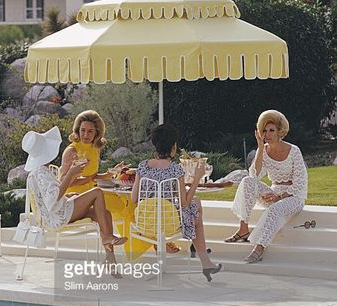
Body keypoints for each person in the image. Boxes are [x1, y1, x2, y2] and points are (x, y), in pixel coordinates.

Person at [131, 124, 221, 281]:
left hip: (144, 222)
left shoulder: (142, 166)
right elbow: (184, 203)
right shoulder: (175, 169)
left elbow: (134, 199)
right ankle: (204, 259)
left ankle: (202, 256)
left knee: (195, 204)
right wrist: (197, 178)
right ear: (173, 147)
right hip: (168, 222)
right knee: (194, 210)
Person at [21, 125, 126, 260]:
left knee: (104, 214)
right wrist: (71, 173)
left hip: (58, 211)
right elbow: (52, 199)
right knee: (97, 192)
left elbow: (51, 195)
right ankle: (107, 238)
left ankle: (110, 259)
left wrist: (69, 194)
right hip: (56, 217)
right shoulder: (41, 172)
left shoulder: (40, 171)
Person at [225, 110, 308, 263]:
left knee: (274, 209)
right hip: (273, 193)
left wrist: (279, 196)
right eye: (264, 130)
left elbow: (300, 184)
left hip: (293, 197)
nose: (267, 134)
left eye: (271, 130)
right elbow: (254, 175)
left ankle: (259, 247)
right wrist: (260, 148)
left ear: (280, 132)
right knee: (247, 181)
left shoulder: (294, 151)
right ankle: (243, 228)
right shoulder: (263, 150)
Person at [59, 110, 126, 193]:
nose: (86, 135)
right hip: (73, 196)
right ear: (78, 130)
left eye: (90, 131)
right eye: (83, 130)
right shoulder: (72, 151)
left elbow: (93, 177)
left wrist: (112, 172)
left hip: (92, 193)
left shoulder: (95, 149)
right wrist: (88, 179)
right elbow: (62, 182)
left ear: (96, 133)